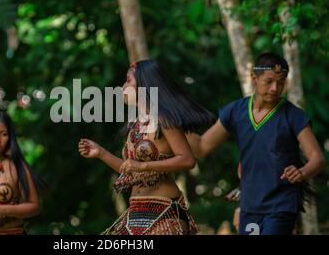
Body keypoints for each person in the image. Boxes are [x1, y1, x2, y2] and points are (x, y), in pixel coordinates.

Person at [186, 52, 326, 235]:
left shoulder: (293, 116)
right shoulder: (235, 111)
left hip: (281, 205)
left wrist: (301, 172)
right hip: (249, 206)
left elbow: (318, 159)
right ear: (254, 77)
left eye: (281, 82)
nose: (275, 88)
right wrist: (169, 122)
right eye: (269, 81)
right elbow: (202, 147)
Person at [78, 59, 215, 235]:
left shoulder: (164, 120)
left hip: (165, 213)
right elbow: (131, 171)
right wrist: (101, 153)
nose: (122, 87)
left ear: (144, 86)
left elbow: (188, 160)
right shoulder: (135, 124)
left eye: (128, 81)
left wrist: (144, 165)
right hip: (135, 211)